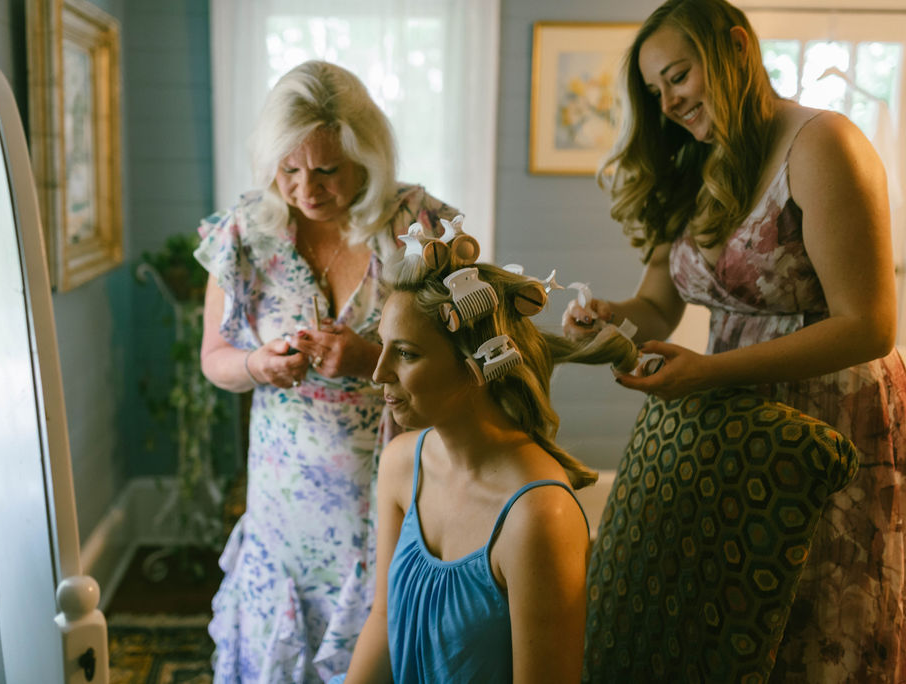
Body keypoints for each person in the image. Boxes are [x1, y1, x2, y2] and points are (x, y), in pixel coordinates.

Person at [564, 0, 906, 680]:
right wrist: (608, 322)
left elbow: (869, 325)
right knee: (741, 630)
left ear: (734, 46)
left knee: (822, 632)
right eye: (656, 92)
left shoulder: (823, 145)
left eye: (678, 76)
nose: (668, 103)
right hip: (734, 424)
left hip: (830, 423)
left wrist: (710, 375)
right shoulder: (695, 164)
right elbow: (656, 309)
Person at [194, 60, 458, 683]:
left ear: (365, 157)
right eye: (288, 169)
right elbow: (215, 359)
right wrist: (257, 364)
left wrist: (371, 359)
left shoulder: (413, 225)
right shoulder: (244, 234)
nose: (306, 189)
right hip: (284, 510)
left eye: (326, 170)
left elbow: (472, 352)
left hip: (392, 494)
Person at [336, 233, 639, 683]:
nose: (378, 372)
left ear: (476, 365)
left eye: (405, 353)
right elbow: (384, 620)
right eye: (382, 346)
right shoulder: (402, 464)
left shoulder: (539, 515)